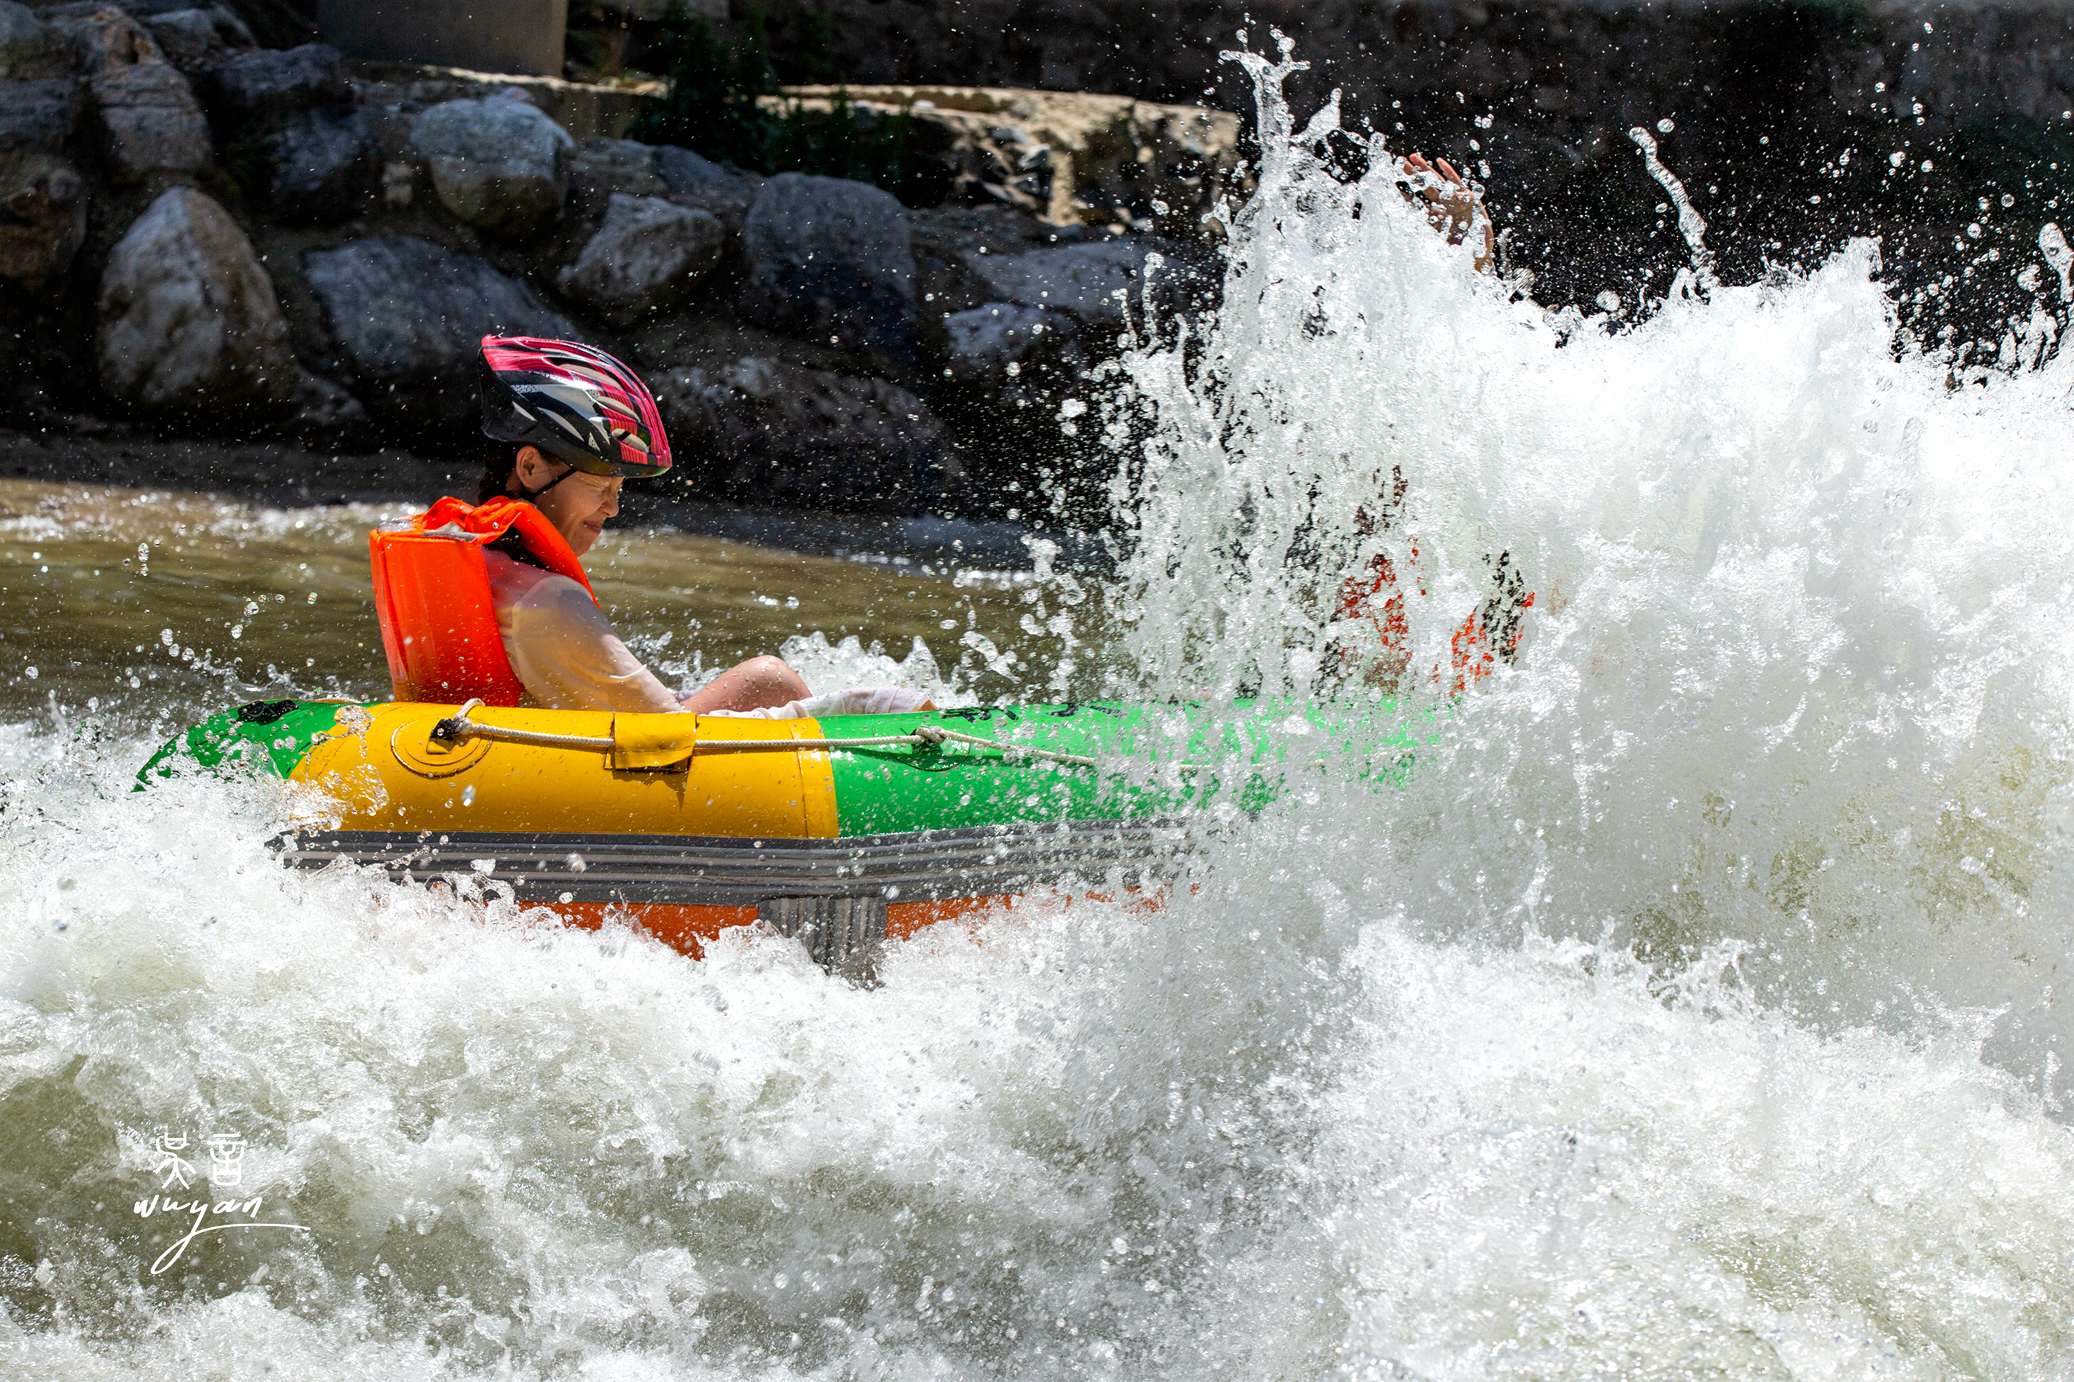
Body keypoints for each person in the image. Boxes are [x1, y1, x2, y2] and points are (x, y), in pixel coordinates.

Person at [467, 335, 933, 717]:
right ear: (530, 468)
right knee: (771, 678)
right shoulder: (548, 601)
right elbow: (665, 740)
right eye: (597, 484)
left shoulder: (471, 560)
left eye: (619, 489)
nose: (611, 509)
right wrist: (877, 703)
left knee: (762, 681)